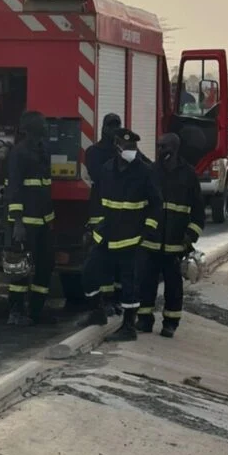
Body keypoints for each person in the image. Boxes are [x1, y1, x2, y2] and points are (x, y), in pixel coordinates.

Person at [80, 128, 162, 341]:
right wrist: (93, 226)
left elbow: (156, 204)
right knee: (89, 271)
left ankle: (128, 327)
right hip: (107, 235)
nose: (131, 151)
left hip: (131, 237)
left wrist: (148, 230)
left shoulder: (144, 172)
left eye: (134, 147)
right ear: (118, 147)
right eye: (127, 147)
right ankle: (96, 312)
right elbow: (99, 202)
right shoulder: (107, 170)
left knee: (129, 284)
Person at [137, 133, 205, 338]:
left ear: (174, 149)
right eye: (158, 147)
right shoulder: (151, 172)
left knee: (174, 288)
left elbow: (198, 213)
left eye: (163, 147)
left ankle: (170, 323)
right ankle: (144, 320)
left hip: (176, 245)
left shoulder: (188, 175)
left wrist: (189, 238)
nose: (160, 151)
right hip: (151, 242)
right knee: (146, 283)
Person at [4, 111, 56, 326]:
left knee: (45, 265)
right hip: (24, 222)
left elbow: (44, 187)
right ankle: (15, 311)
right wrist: (17, 222)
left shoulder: (43, 150)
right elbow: (14, 189)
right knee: (19, 268)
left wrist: (50, 219)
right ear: (32, 128)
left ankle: (36, 310)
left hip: (43, 220)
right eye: (42, 122)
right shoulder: (19, 153)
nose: (46, 125)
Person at [84, 113, 123, 315]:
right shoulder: (93, 152)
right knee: (102, 258)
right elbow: (99, 175)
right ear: (103, 128)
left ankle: (115, 299)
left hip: (119, 213)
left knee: (118, 261)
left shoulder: (122, 152)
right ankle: (102, 301)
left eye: (118, 126)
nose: (114, 129)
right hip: (100, 212)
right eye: (111, 126)